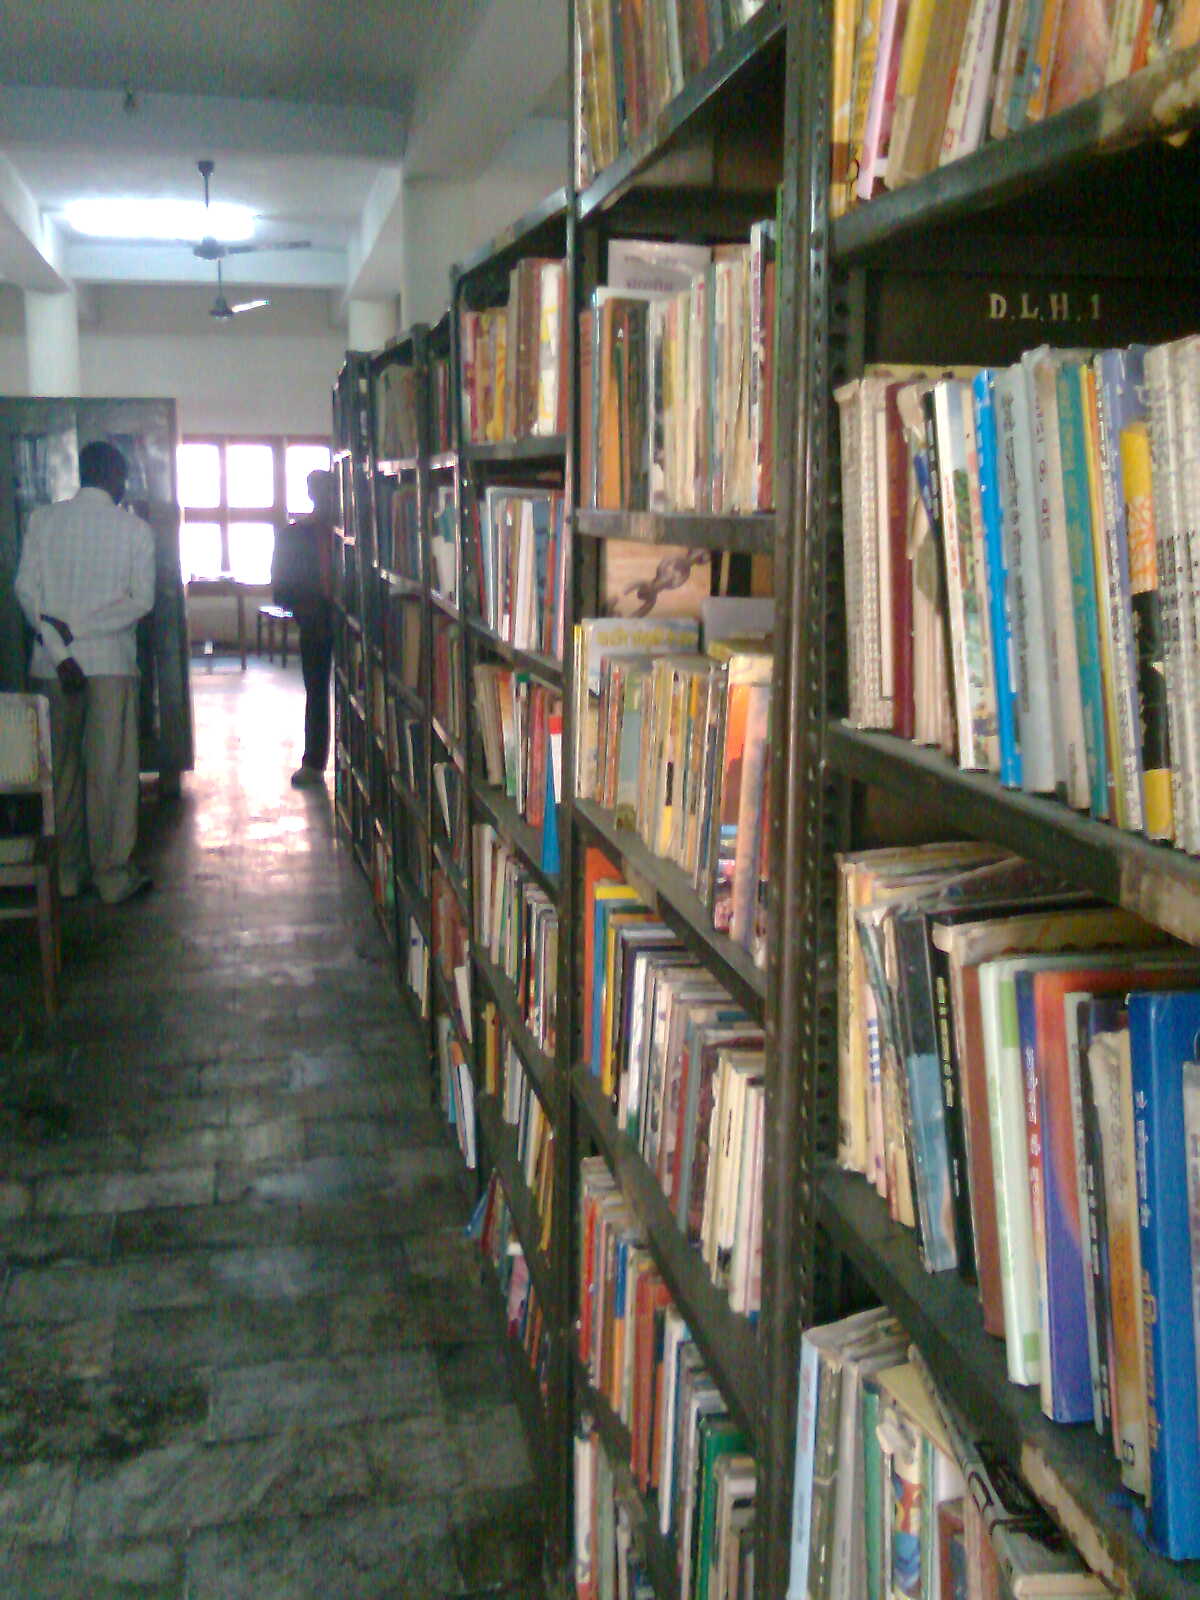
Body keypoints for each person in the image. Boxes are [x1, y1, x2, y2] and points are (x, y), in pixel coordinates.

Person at [14, 440, 156, 904]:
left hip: (54, 670)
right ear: (114, 477)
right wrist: (83, 629)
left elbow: (26, 592)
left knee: (62, 773)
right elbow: (141, 601)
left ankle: (68, 874)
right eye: (124, 477)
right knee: (110, 771)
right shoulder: (133, 530)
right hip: (110, 665)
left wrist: (60, 646)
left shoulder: (43, 521)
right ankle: (112, 876)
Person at [272, 467, 337, 787]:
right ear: (311, 494)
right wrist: (305, 608)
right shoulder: (293, 535)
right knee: (316, 689)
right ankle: (314, 761)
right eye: (319, 491)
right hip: (315, 621)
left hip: (351, 620)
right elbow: (280, 587)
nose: (324, 498)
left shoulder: (350, 533)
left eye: (330, 491)